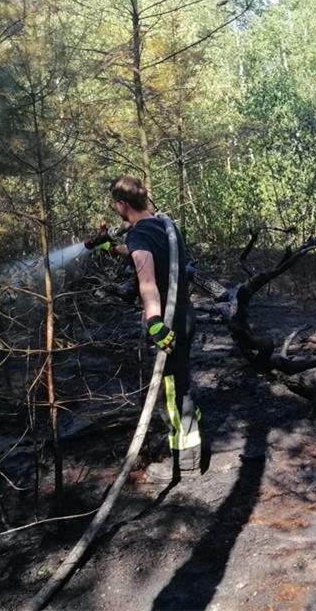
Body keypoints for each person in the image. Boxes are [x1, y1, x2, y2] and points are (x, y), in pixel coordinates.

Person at [88, 175, 203, 483]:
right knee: (182, 382)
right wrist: (112, 248)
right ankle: (189, 451)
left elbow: (147, 282)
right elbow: (144, 252)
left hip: (167, 321)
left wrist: (154, 323)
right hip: (184, 315)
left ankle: (184, 463)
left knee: (170, 391)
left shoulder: (142, 235)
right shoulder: (164, 226)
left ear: (121, 204)